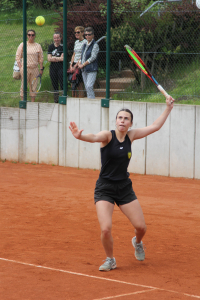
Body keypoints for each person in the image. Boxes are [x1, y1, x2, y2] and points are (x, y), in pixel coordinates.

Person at [69, 95, 175, 271]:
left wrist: (168, 108)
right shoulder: (107, 136)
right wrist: (80, 137)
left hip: (124, 188)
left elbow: (155, 126)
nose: (122, 121)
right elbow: (94, 136)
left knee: (141, 227)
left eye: (126, 119)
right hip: (105, 188)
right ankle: (110, 259)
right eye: (120, 118)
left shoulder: (131, 136)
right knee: (105, 229)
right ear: (116, 120)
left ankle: (138, 242)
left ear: (130, 123)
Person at [16, 29, 44, 102]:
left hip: (35, 68)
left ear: (34, 36)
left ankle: (32, 103)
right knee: (24, 85)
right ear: (27, 36)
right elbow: (17, 57)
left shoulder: (38, 46)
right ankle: (23, 101)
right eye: (29, 35)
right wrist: (21, 67)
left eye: (32, 35)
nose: (31, 36)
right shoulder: (23, 44)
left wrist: (41, 69)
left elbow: (41, 58)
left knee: (34, 87)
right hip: (25, 68)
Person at [78, 27, 99, 99]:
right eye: (86, 35)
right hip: (84, 69)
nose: (87, 36)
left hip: (92, 69)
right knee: (87, 87)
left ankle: (92, 101)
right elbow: (82, 56)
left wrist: (83, 64)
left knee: (89, 86)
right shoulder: (84, 44)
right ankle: (89, 100)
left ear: (93, 35)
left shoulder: (95, 45)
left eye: (89, 34)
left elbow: (93, 57)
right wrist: (79, 62)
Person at [69, 26, 86, 98]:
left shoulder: (85, 42)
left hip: (80, 64)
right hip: (73, 64)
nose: (76, 34)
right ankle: (74, 99)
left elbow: (83, 55)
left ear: (83, 33)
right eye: (75, 32)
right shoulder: (76, 42)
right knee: (72, 84)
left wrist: (76, 65)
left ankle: (81, 99)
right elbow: (74, 54)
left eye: (78, 32)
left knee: (79, 84)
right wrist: (71, 64)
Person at [48, 32, 64, 103]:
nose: (56, 39)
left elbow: (62, 58)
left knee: (62, 82)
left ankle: (64, 96)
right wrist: (58, 58)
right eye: (55, 38)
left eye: (58, 38)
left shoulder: (63, 46)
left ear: (60, 38)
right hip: (53, 67)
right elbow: (49, 59)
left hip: (61, 67)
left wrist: (53, 58)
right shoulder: (51, 47)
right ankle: (56, 98)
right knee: (54, 83)